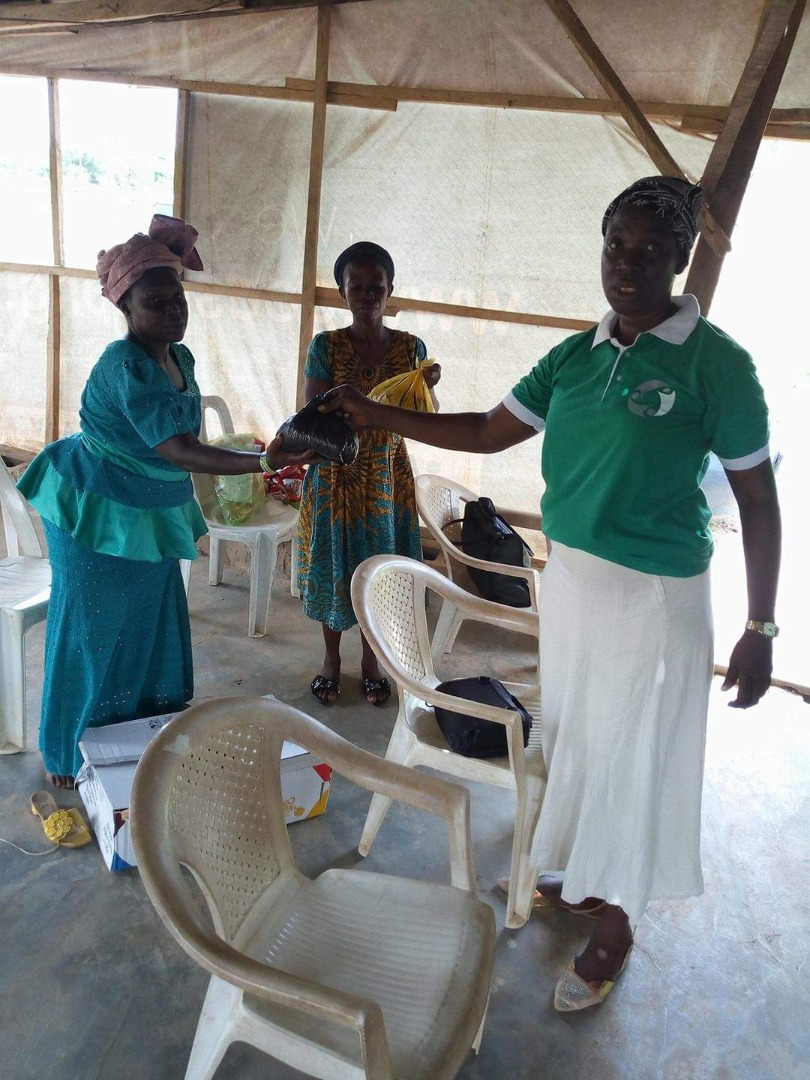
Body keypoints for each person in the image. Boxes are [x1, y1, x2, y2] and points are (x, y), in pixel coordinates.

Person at [321, 179, 781, 1011]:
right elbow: (486, 430)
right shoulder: (575, 356)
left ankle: (619, 922)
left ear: (681, 259)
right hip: (569, 586)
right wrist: (374, 415)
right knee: (578, 739)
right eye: (616, 245)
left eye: (650, 250)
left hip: (655, 597)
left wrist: (761, 623)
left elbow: (758, 499)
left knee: (636, 757)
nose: (628, 265)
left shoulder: (719, 365)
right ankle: (583, 875)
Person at [18, 214, 314, 789]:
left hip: (146, 506)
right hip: (93, 507)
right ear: (127, 309)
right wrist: (265, 462)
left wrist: (264, 455)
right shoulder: (124, 365)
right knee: (93, 627)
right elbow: (180, 449)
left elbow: (184, 441)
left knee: (148, 621)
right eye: (155, 303)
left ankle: (134, 739)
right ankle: (70, 750)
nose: (173, 311)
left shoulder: (181, 358)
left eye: (177, 298)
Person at [297, 241, 441, 706]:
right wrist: (369, 411)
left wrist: (427, 388)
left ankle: (372, 661)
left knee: (380, 569)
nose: (366, 295)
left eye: (375, 285)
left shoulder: (412, 349)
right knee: (336, 567)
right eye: (355, 286)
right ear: (342, 292)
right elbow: (316, 415)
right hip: (336, 474)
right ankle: (330, 660)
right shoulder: (326, 346)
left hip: (385, 476)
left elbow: (425, 414)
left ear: (390, 289)